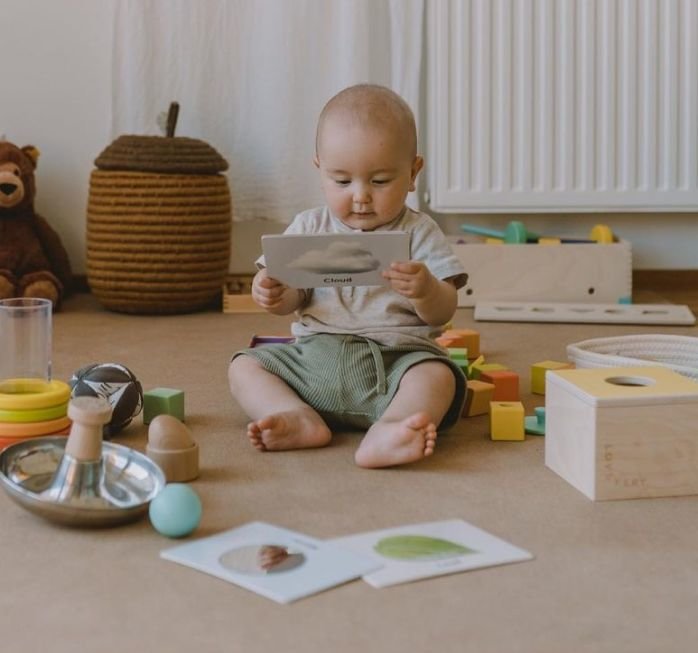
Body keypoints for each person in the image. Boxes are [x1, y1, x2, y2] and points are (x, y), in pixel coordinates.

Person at [228, 83, 468, 468]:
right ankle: (297, 415)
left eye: (379, 181)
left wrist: (425, 290)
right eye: (342, 181)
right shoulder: (309, 227)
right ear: (319, 169)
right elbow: (292, 299)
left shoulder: (419, 232)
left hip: (394, 364)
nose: (360, 196)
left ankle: (392, 427)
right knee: (244, 366)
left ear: (412, 172)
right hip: (315, 360)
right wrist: (274, 293)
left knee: (439, 375)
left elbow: (442, 312)